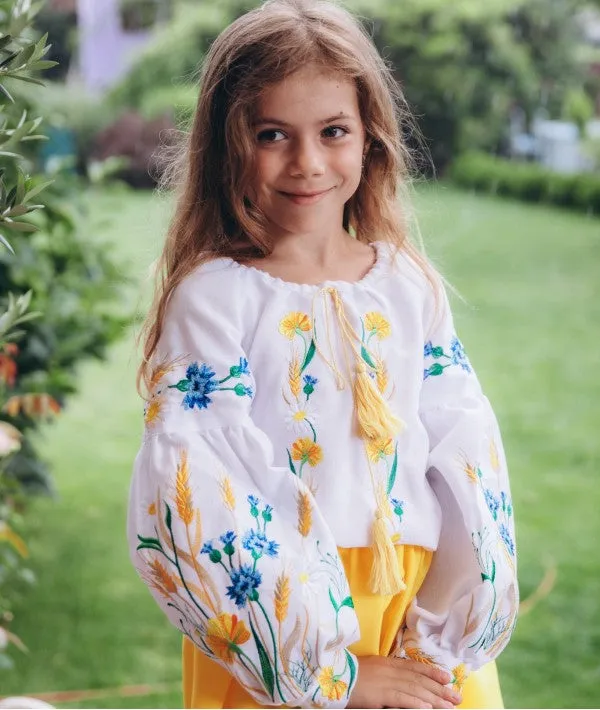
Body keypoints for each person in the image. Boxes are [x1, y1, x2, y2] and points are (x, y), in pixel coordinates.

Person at [127, 0, 518, 707]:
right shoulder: (215, 299)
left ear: (369, 138)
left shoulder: (406, 282)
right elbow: (199, 495)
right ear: (227, 146)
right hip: (280, 619)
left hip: (415, 608)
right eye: (272, 134)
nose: (306, 163)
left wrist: (434, 634)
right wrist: (332, 677)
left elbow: (465, 450)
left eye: (332, 131)